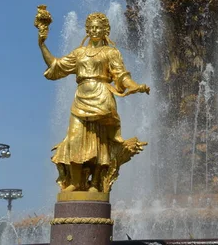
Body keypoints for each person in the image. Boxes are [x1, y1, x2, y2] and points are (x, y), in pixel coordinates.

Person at [38, 11, 150, 193]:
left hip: (102, 97)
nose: (95, 30)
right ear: (87, 30)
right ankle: (75, 182)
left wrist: (135, 85)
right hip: (81, 97)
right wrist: (42, 43)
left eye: (99, 27)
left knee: (100, 141)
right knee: (74, 138)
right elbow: (56, 66)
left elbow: (121, 75)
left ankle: (96, 182)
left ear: (106, 30)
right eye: (91, 28)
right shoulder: (79, 53)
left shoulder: (111, 52)